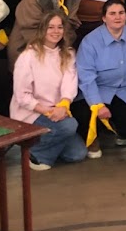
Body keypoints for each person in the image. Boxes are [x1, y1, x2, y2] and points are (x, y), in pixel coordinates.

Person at [10, 12, 87, 171]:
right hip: (32, 113)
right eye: (50, 27)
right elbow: (22, 95)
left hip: (58, 110)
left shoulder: (68, 53)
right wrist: (48, 111)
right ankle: (38, 155)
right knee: (70, 125)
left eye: (59, 27)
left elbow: (70, 82)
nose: (55, 31)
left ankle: (44, 145)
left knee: (77, 154)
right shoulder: (28, 56)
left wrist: (64, 104)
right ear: (43, 29)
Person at [73, 0, 126, 157]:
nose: (117, 17)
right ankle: (94, 137)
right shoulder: (90, 42)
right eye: (112, 13)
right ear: (104, 18)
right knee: (83, 114)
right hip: (98, 91)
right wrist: (97, 105)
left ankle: (114, 129)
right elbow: (86, 77)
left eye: (121, 13)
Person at [8, 0, 82, 65]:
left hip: (58, 46)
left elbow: (71, 24)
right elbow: (29, 23)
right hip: (28, 42)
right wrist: (48, 46)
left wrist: (60, 44)